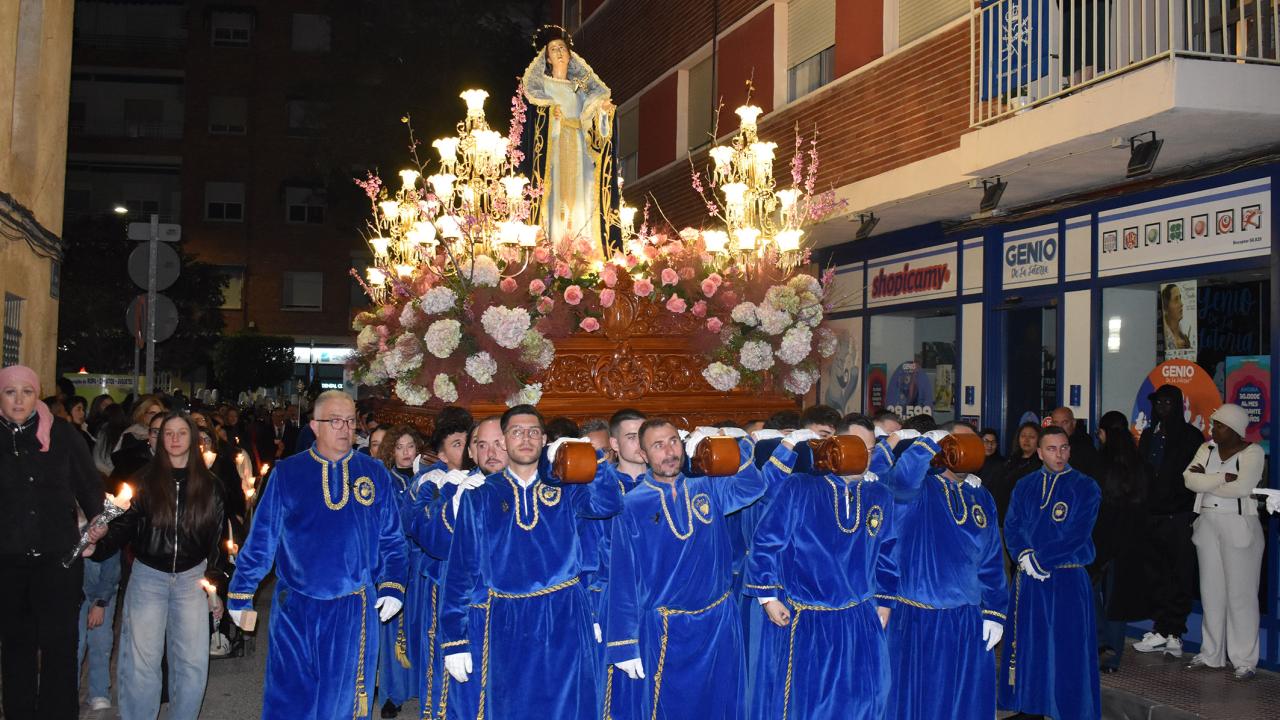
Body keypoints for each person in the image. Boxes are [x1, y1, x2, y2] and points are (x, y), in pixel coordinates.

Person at [226, 390, 408, 719]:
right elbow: (262, 539)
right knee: (290, 699)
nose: (345, 429)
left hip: (353, 608)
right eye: (335, 421)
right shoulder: (287, 473)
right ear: (314, 425)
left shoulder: (374, 473)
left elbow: (392, 540)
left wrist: (393, 584)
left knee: (343, 703)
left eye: (350, 421)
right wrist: (242, 591)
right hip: (295, 606)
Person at [440, 404, 622, 720]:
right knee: (513, 706)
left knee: (571, 706)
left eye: (533, 432)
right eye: (517, 432)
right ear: (504, 440)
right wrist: (454, 639)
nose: (525, 439)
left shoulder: (567, 487)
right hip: (507, 620)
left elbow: (608, 504)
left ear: (545, 440)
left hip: (566, 613)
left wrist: (591, 455)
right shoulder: (479, 497)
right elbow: (460, 571)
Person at [604, 420, 765, 719]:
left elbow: (752, 486)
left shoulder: (708, 487)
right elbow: (623, 578)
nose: (669, 452)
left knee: (721, 705)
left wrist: (730, 442)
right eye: (658, 445)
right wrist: (624, 644)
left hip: (718, 622)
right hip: (667, 631)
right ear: (643, 454)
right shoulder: (631, 506)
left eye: (673, 441)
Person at [744, 424, 897, 720]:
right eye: (855, 446)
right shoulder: (800, 487)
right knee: (812, 705)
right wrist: (768, 598)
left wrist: (885, 600)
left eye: (869, 449)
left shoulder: (879, 494)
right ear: (836, 446)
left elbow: (887, 552)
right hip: (810, 619)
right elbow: (766, 541)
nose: (863, 455)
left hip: (860, 617)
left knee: (866, 698)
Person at [87, 412, 227, 720]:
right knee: (141, 662)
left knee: (191, 663)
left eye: (182, 433)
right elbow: (122, 528)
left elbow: (215, 542)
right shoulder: (143, 481)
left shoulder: (211, 486)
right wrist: (97, 545)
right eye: (168, 433)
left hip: (192, 578)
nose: (174, 439)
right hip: (149, 577)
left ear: (194, 439)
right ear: (160, 439)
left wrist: (214, 587)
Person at [879, 428, 1007, 720]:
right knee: (919, 703)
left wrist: (995, 611)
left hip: (967, 618)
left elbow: (991, 559)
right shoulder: (920, 488)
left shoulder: (981, 495)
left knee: (964, 704)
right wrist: (926, 443)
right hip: (918, 617)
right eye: (958, 442)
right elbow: (900, 481)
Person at [0, 365, 104, 720]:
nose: (18, 400)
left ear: (37, 394)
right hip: (9, 562)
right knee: (16, 648)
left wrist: (99, 520)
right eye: (10, 392)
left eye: (26, 392)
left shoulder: (62, 434)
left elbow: (89, 486)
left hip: (58, 561)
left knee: (60, 647)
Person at [999, 426, 1101, 720]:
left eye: (1064, 448)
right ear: (1040, 452)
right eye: (1052, 449)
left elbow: (1077, 534)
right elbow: (1013, 524)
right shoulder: (1025, 484)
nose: (1060, 454)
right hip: (1030, 579)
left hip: (1067, 577)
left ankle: (1070, 711)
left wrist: (1041, 560)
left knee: (1068, 647)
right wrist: (1023, 554)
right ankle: (1031, 706)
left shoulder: (1086, 486)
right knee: (1031, 643)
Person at [1184, 404, 1266, 680]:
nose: (1212, 429)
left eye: (1218, 425)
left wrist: (1206, 481)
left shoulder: (1253, 452)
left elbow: (1243, 487)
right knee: (1211, 592)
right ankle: (1211, 654)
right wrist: (1220, 478)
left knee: (1241, 595)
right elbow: (1189, 480)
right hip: (1207, 524)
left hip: (1239, 526)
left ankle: (1244, 659)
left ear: (1233, 429)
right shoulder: (1206, 449)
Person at [521, 25, 614, 254]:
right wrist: (550, 115)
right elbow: (535, 120)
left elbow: (592, 121)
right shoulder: (542, 86)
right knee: (556, 193)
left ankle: (582, 248)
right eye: (553, 49)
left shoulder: (580, 89)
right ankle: (553, 246)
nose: (559, 52)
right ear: (547, 59)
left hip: (579, 145)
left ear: (570, 55)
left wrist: (603, 112)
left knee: (583, 193)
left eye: (562, 48)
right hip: (555, 145)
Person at [1133, 384, 1202, 657]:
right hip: (1152, 515)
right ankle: (1161, 628)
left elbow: (1195, 475)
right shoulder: (1149, 435)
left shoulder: (1190, 436)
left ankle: (1175, 632)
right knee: (1156, 574)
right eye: (1158, 403)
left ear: (1177, 405)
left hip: (1179, 515)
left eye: (1167, 403)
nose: (1162, 408)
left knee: (1179, 575)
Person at [1091, 410, 1151, 674]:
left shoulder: (1100, 463)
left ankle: (1100, 642)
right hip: (1132, 541)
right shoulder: (1140, 464)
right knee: (1118, 601)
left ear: (1103, 433)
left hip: (1102, 538)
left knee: (1091, 592)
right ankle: (1113, 656)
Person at [373, 425, 424, 718]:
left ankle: (421, 685)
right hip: (396, 562)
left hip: (423, 563)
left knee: (421, 626)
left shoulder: (427, 477)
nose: (406, 452)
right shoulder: (386, 481)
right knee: (394, 629)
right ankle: (393, 693)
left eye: (410, 446)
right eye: (399, 447)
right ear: (391, 451)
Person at [77, 550, 121, 712]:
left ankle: (99, 691)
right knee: (76, 642)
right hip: (73, 590)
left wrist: (101, 601)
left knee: (100, 640)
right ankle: (68, 691)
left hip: (102, 589)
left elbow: (112, 568)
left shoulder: (105, 535)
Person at [991, 422, 1042, 523]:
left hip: (1025, 518)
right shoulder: (1010, 460)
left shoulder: (1040, 465)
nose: (1026, 440)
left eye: (1031, 437)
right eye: (1023, 436)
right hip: (1003, 516)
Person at [1050, 406, 1101, 479]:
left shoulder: (1084, 447)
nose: (1060, 427)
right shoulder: (1047, 444)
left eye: (1064, 422)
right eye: (1055, 423)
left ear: (1073, 423)